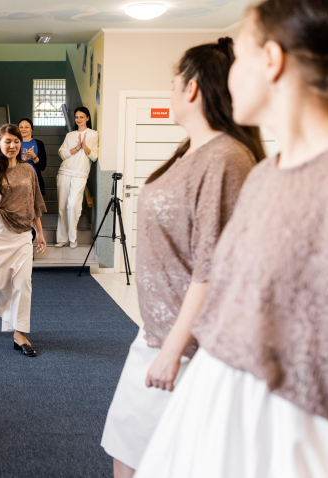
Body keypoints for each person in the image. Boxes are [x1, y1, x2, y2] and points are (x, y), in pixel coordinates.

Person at [135, 1, 328, 476]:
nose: (227, 77)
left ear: (271, 60)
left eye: (238, 57)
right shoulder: (265, 176)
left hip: (288, 427)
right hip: (220, 402)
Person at [100, 37, 264, 478]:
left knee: (158, 461)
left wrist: (174, 350)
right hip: (157, 331)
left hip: (190, 345)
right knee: (125, 448)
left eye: (173, 84)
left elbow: (213, 268)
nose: (170, 93)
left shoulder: (226, 157)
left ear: (192, 88)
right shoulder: (191, 151)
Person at [0, 123, 47, 357]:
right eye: (8, 141)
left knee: (23, 283)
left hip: (22, 233)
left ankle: (19, 333)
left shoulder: (28, 170)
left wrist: (40, 233)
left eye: (16, 141)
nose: (13, 145)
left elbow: (34, 204)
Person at [56, 107, 98, 248]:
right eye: (76, 117)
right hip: (64, 172)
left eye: (81, 117)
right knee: (62, 207)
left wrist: (85, 147)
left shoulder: (93, 134)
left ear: (87, 118)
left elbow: (94, 157)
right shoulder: (70, 135)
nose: (78, 119)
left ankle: (73, 238)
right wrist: (76, 148)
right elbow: (62, 154)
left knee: (73, 205)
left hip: (80, 174)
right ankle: (62, 238)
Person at [18, 118, 47, 195]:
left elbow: (42, 167)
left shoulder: (39, 144)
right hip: (17, 182)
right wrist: (25, 158)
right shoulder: (15, 143)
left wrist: (33, 156)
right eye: (21, 127)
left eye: (27, 127)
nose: (23, 129)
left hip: (34, 182)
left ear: (31, 129)